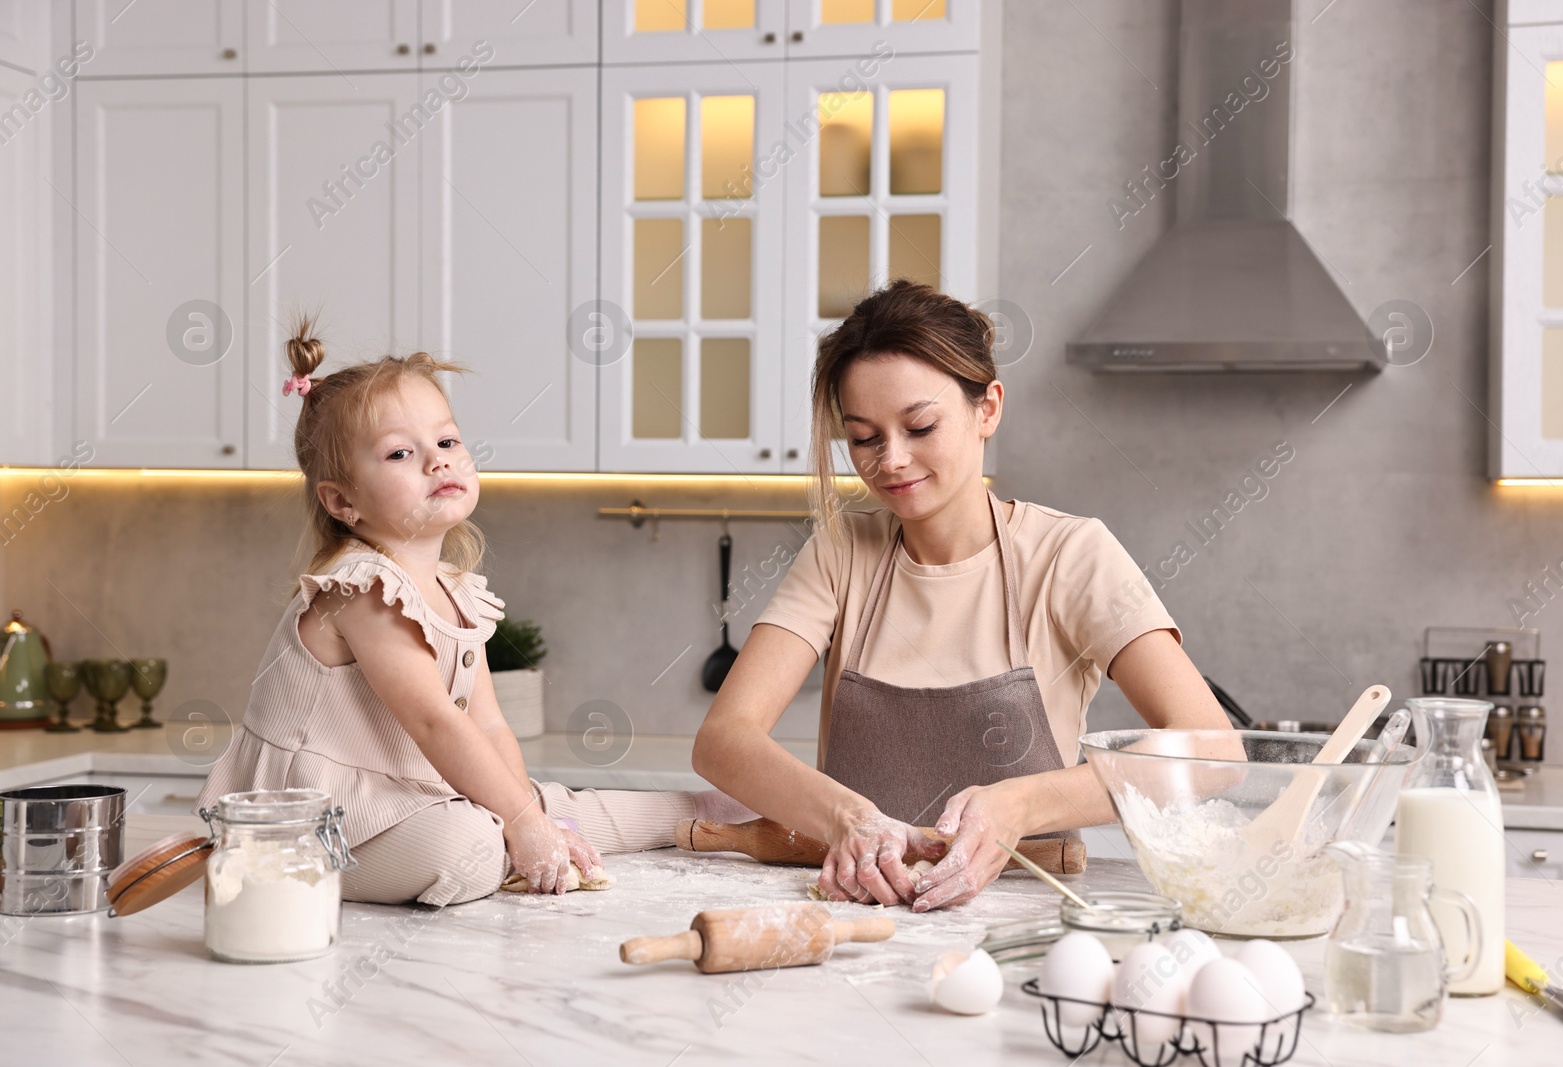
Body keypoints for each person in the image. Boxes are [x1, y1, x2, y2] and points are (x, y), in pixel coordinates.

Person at [692, 280, 1232, 912]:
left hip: (1020, 921)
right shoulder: (841, 553)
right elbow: (724, 739)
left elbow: (1214, 752)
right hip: (861, 922)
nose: (891, 460)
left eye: (920, 426)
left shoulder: (1070, 555)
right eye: (864, 438)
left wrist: (1022, 802)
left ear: (988, 409)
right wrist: (847, 819)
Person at [194, 316, 750, 905]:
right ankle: (265, 861)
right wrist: (516, 823)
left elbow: (485, 725)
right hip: (308, 817)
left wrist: (529, 815)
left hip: (399, 793)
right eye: (401, 453)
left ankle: (702, 815)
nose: (437, 461)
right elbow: (436, 721)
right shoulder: (360, 590)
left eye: (448, 442)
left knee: (543, 805)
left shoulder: (456, 591)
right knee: (473, 843)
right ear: (342, 501)